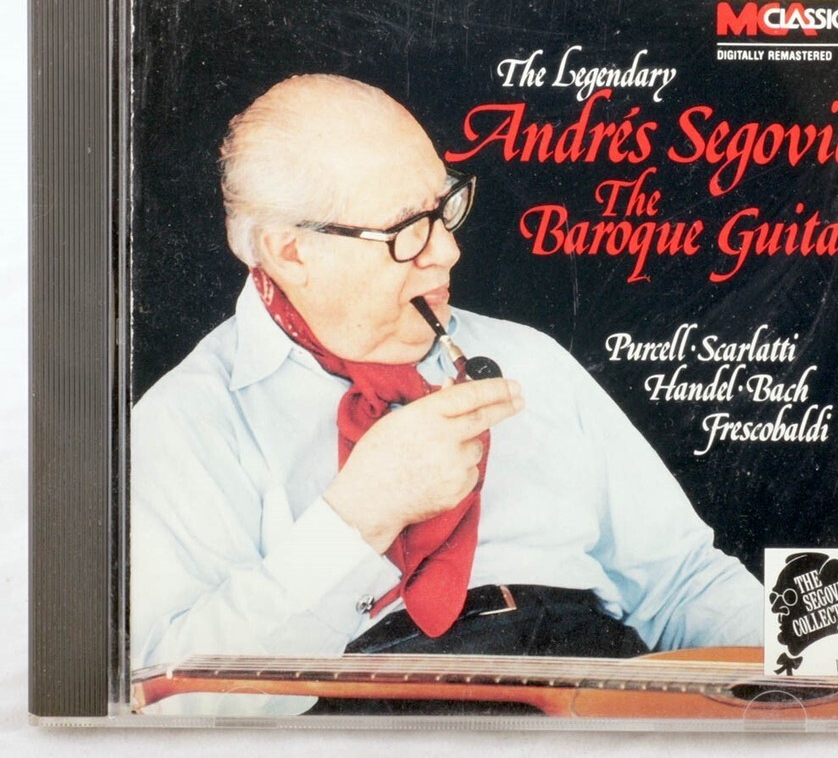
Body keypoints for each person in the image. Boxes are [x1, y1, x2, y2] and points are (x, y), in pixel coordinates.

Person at [131, 73, 762, 716]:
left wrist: (812, 677)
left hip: (600, 696)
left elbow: (683, 582)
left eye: (444, 209)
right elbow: (168, 700)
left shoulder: (533, 358)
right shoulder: (189, 420)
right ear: (291, 252)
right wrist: (360, 518)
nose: (447, 251)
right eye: (407, 229)